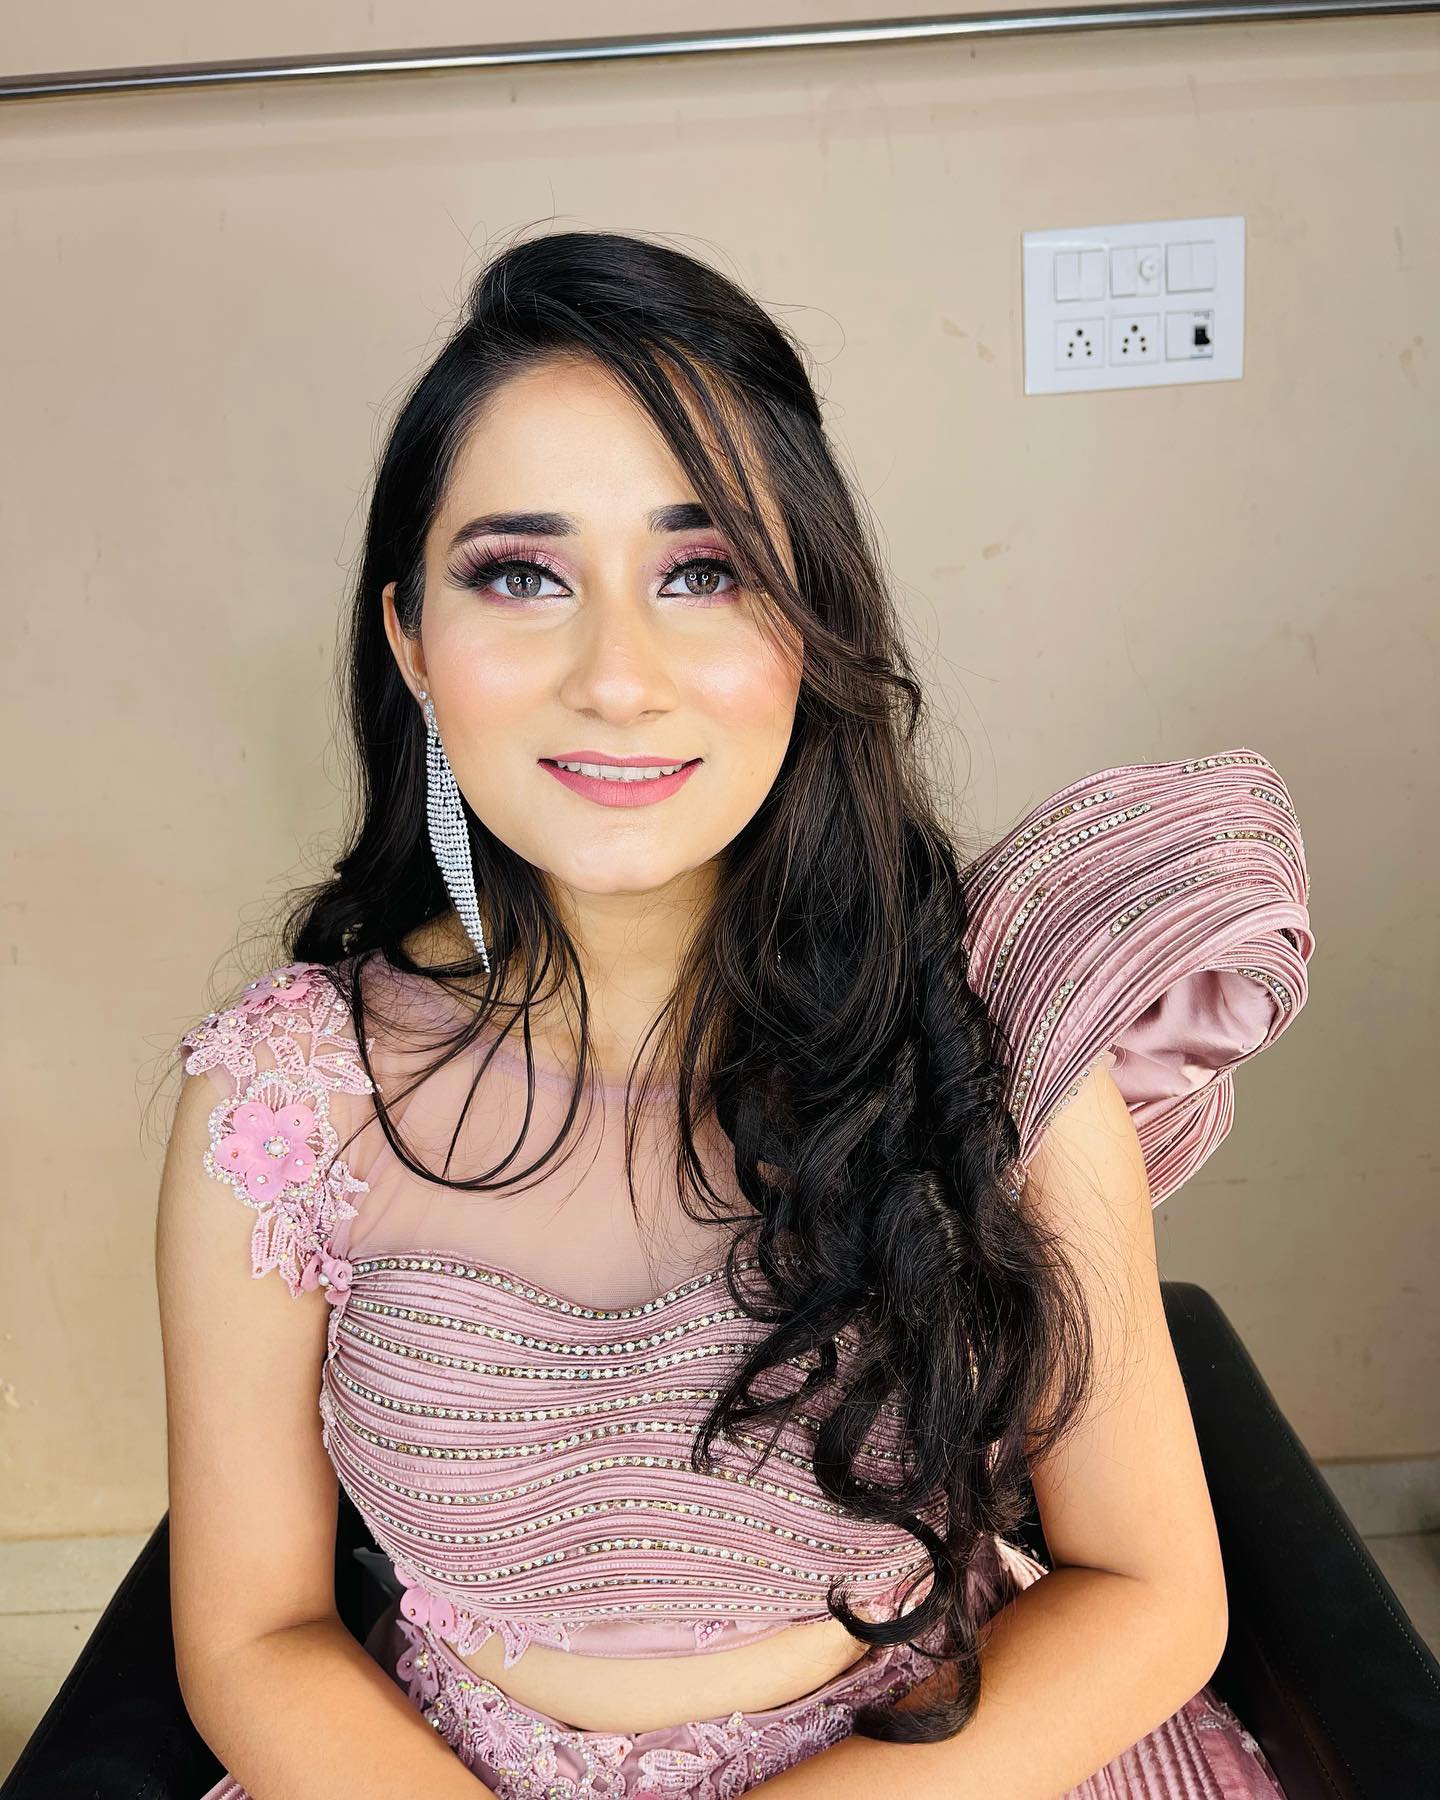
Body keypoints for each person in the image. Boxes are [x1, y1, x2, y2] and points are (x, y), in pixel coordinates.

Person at [155, 228, 1313, 1800]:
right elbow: (254, 1632)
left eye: (702, 572)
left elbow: (1152, 1590)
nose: (618, 677)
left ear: (810, 624)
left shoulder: (979, 1030)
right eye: (520, 574)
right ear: (411, 640)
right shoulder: (283, 1095)